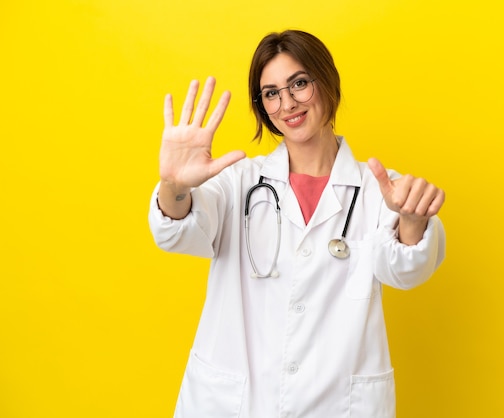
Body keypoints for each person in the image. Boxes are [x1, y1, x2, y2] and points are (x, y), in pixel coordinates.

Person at [149, 30, 446, 418]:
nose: (287, 102)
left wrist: (411, 218)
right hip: (235, 404)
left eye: (299, 83)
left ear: (326, 82)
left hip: (337, 404)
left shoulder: (380, 190)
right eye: (271, 92)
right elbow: (177, 229)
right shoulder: (239, 181)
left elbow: (407, 268)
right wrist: (174, 184)